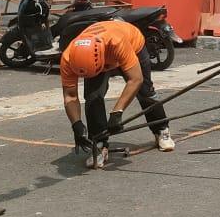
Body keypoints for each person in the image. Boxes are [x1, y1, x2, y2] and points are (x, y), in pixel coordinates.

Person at [60, 20, 175, 169]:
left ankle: (161, 130)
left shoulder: (117, 42)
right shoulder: (68, 58)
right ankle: (99, 144)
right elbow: (70, 96)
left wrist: (117, 112)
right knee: (93, 98)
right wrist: (76, 124)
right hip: (97, 60)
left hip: (132, 44)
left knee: (145, 91)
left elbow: (135, 79)